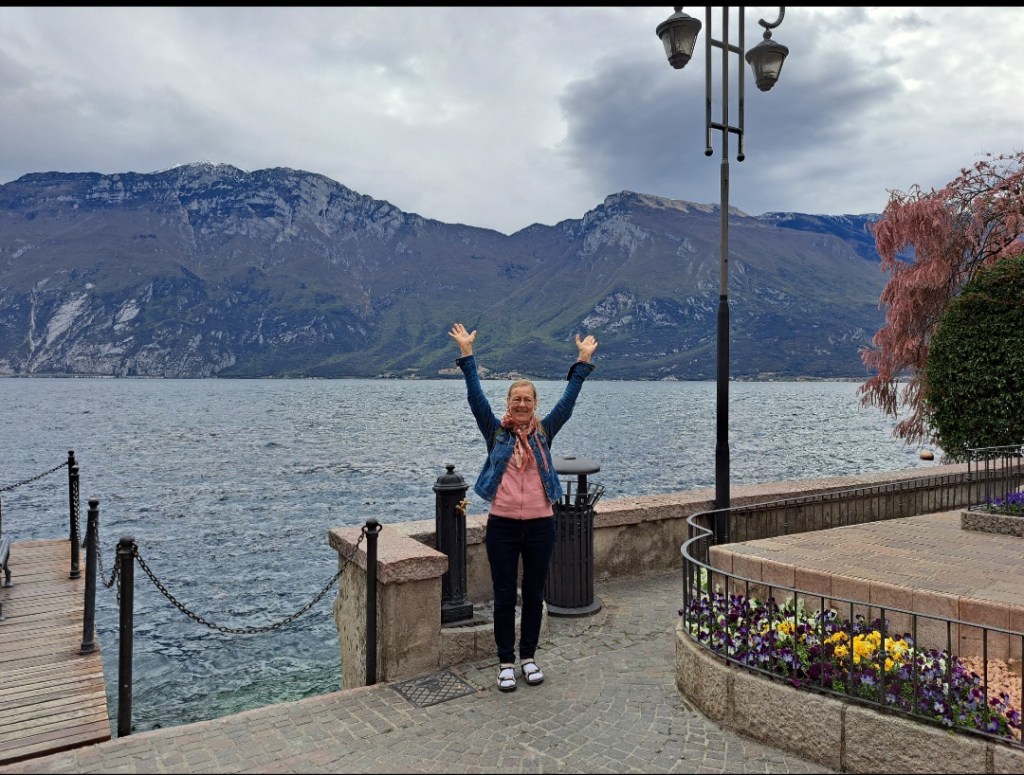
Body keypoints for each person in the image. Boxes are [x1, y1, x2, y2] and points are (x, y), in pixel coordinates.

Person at [448, 322, 598, 692]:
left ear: (535, 405)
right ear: (508, 403)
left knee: (533, 595)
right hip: (502, 525)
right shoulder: (496, 433)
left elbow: (568, 402)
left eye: (527, 399)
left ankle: (528, 657)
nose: (521, 404)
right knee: (503, 596)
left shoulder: (545, 433)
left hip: (540, 526)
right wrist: (467, 354)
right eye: (516, 399)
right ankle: (505, 662)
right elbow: (475, 399)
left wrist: (582, 362)